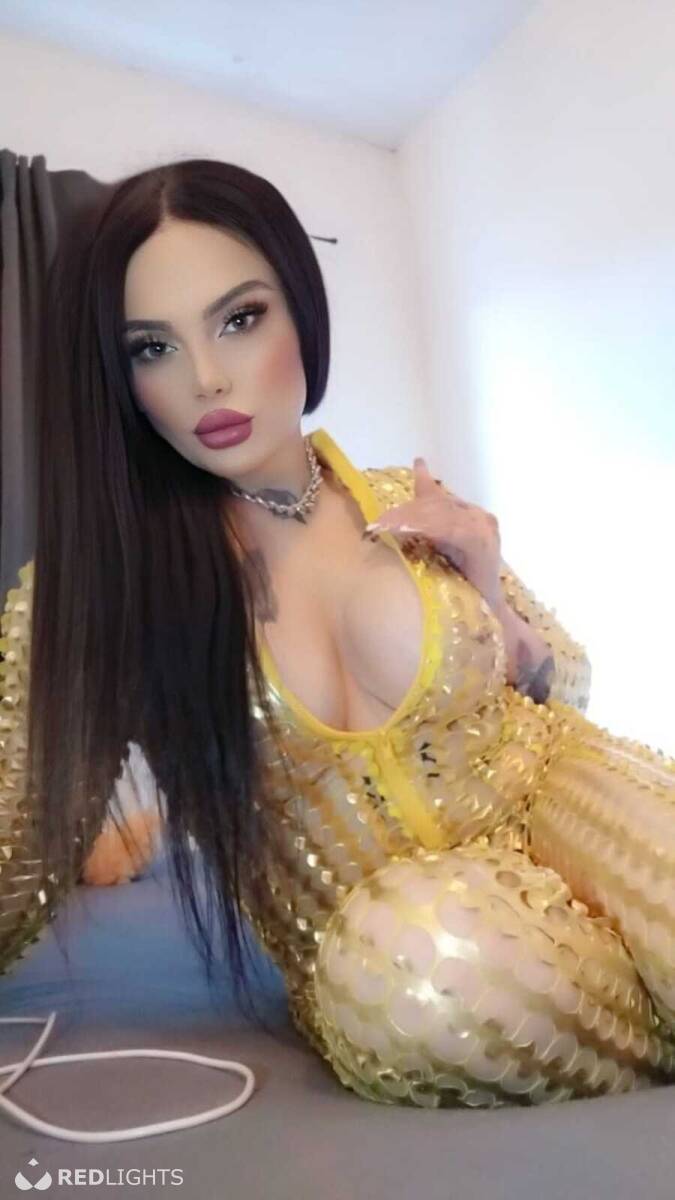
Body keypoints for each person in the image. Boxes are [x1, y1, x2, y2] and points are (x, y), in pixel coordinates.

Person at [1, 158, 674, 1112]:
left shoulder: (409, 499)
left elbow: (561, 684)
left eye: (240, 319)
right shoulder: (101, 591)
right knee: (426, 979)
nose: (206, 378)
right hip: (404, 941)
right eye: (152, 347)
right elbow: (16, 844)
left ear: (300, 313)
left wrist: (490, 588)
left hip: (567, 799)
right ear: (119, 378)